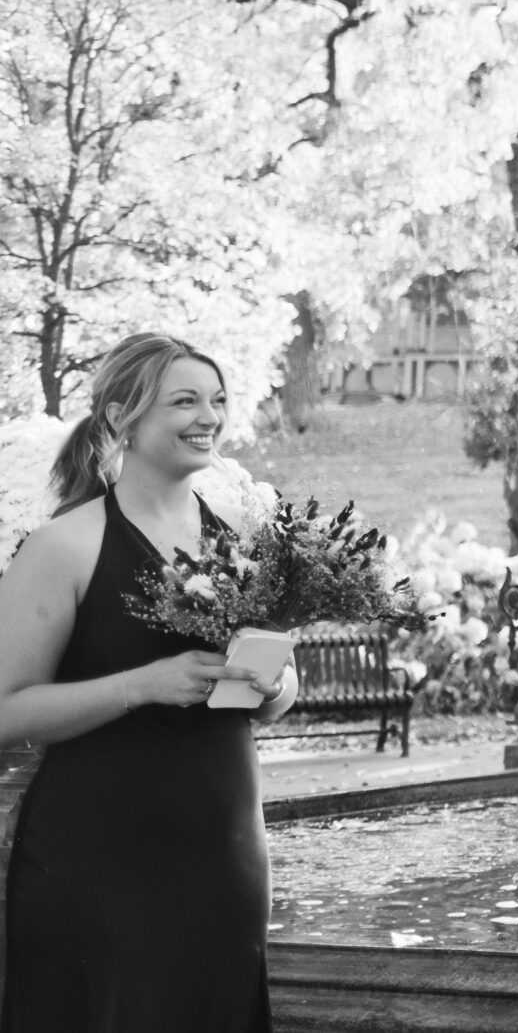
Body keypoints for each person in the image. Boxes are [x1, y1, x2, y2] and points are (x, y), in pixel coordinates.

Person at [0, 333, 297, 1033]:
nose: (209, 416)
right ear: (120, 418)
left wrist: (276, 682)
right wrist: (142, 683)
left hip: (224, 858)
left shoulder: (244, 544)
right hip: (96, 865)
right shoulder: (64, 546)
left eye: (217, 399)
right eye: (185, 400)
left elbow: (277, 698)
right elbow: (5, 710)